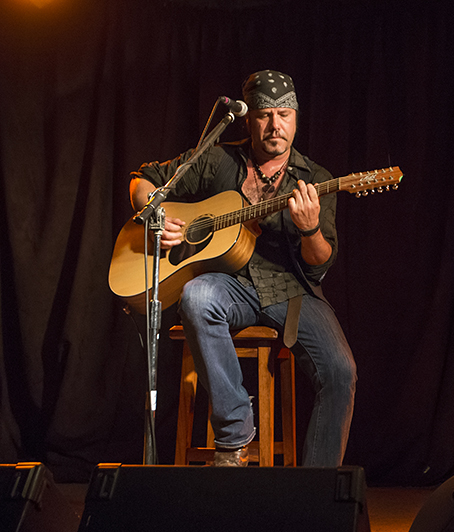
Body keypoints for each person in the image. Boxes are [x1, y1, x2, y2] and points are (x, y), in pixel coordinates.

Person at [130, 70, 356, 467]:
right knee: (196, 296)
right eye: (265, 115)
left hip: (291, 290)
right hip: (228, 282)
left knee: (341, 372)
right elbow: (145, 181)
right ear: (248, 119)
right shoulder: (218, 158)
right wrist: (156, 217)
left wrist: (310, 229)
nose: (275, 125)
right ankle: (234, 436)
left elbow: (320, 262)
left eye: (285, 114)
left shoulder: (314, 179)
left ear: (297, 118)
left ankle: (319, 489)